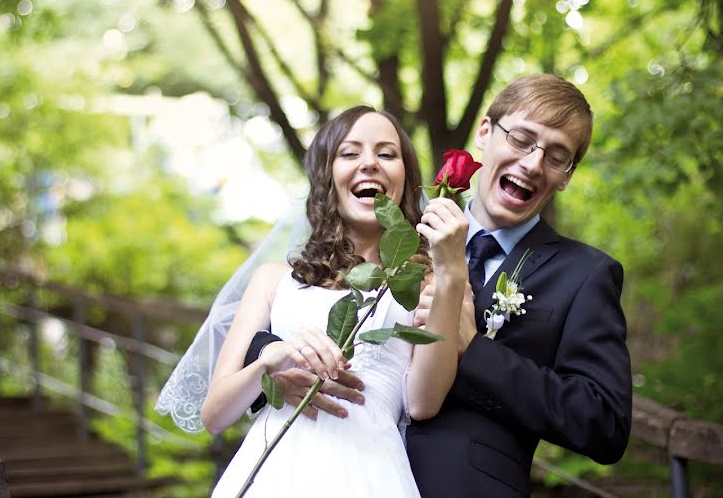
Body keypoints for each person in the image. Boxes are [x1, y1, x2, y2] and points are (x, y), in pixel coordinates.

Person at [246, 74, 633, 497]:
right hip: (332, 474)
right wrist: (269, 353)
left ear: (566, 175)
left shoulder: (584, 274)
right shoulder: (394, 228)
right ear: (485, 132)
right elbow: (304, 293)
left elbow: (604, 423)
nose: (533, 163)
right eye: (522, 139)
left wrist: (474, 348)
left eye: (557, 156)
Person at [202, 106, 468, 497]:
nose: (370, 164)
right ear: (327, 175)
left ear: (406, 177)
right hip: (271, 474)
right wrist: (267, 363)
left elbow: (423, 403)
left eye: (386, 153)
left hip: (370, 475)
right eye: (350, 153)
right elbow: (215, 415)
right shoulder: (273, 280)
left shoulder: (430, 280)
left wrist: (452, 272)